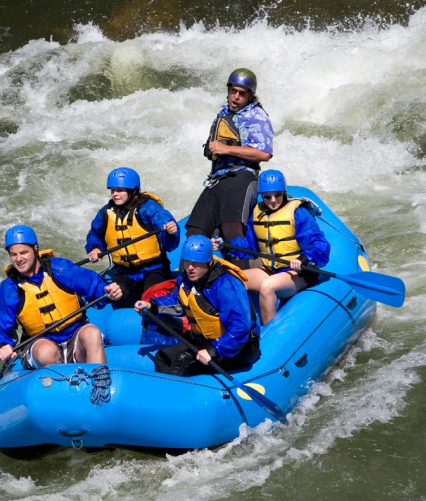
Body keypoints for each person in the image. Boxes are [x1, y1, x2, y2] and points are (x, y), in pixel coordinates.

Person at [0, 225, 123, 367]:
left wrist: (106, 292)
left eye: (23, 252)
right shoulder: (9, 288)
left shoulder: (60, 269)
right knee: (46, 352)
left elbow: (93, 285)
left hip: (75, 336)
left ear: (35, 248)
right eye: (13, 254)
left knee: (92, 333)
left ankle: (99, 381)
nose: (19, 259)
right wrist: (1, 344)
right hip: (40, 342)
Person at [134, 235, 260, 377]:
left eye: (196, 263)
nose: (190, 268)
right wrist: (152, 305)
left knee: (182, 362)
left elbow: (240, 326)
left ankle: (178, 395)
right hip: (205, 340)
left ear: (209, 261)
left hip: (239, 346)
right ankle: (168, 394)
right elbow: (177, 302)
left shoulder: (226, 285)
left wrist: (214, 350)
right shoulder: (187, 281)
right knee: (162, 358)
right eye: (187, 262)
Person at [223, 170, 330, 325]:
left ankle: (269, 334)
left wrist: (304, 259)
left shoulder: (298, 213)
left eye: (277, 195)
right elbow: (249, 246)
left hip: (298, 273)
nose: (273, 200)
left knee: (267, 286)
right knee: (232, 279)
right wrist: (226, 246)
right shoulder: (258, 214)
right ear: (262, 195)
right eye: (267, 196)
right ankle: (240, 327)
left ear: (284, 193)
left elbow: (320, 244)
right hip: (271, 269)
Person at [186, 68, 275, 245]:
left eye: (241, 93)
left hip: (241, 176)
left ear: (250, 96)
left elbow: (264, 153)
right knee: (195, 231)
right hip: (217, 179)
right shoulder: (224, 114)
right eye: (233, 91)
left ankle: (242, 271)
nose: (236, 96)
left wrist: (227, 150)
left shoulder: (256, 116)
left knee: (231, 229)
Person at [86, 167, 180, 308]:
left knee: (154, 296)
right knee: (118, 297)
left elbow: (166, 231)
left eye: (120, 190)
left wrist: (170, 231)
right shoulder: (106, 212)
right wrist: (95, 248)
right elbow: (95, 234)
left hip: (153, 268)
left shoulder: (148, 208)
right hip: (125, 271)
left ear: (132, 190)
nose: (115, 194)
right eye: (113, 190)